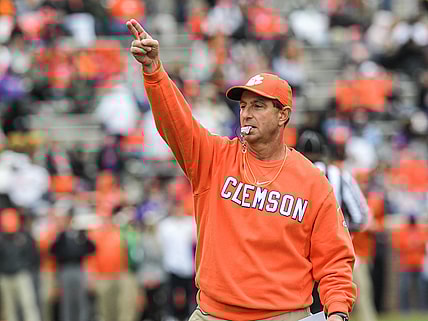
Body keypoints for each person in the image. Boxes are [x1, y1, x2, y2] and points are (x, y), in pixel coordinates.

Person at [126, 19, 356, 321]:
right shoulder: (214, 158)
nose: (247, 112)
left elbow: (335, 258)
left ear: (283, 115)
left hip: (282, 315)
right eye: (244, 105)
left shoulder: (312, 181)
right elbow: (176, 123)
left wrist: (337, 312)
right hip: (213, 314)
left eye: (259, 106)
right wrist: (154, 71)